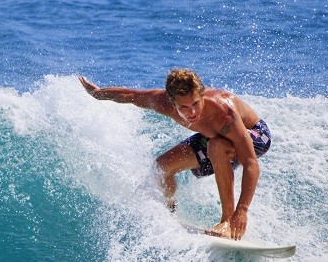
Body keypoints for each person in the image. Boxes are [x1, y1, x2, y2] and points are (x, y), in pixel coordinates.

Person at [79, 69, 271, 240]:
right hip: (214, 137)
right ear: (172, 102)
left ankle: (227, 222)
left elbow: (250, 162)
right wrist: (97, 93)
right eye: (184, 107)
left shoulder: (223, 114)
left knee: (217, 146)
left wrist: (242, 211)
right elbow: (132, 95)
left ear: (202, 95)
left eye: (196, 103)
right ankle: (170, 212)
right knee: (162, 167)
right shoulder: (163, 103)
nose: (192, 112)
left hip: (255, 135)